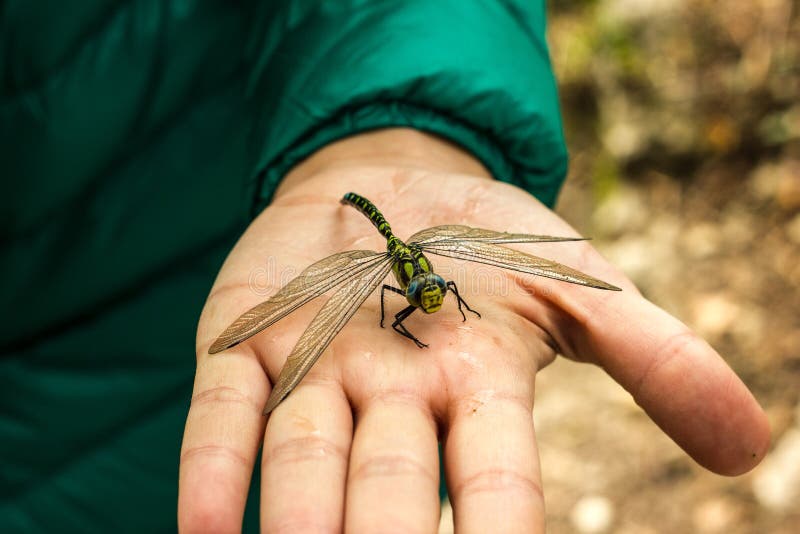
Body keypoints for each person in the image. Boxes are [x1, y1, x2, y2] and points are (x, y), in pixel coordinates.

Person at [1, 3, 769, 533]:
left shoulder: (437, 278)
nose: (427, 296)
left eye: (428, 290)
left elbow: (442, 294)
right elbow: (388, 312)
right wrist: (393, 313)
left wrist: (402, 138)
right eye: (423, 291)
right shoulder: (380, 283)